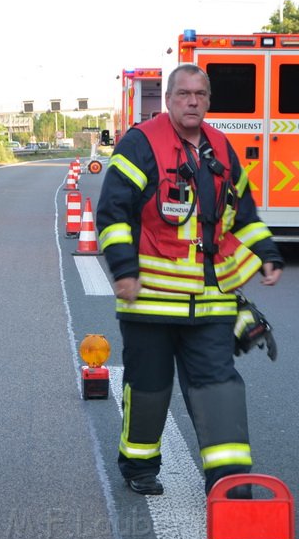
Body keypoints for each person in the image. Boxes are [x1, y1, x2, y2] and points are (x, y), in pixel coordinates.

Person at [95, 64, 284, 497]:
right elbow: (113, 213)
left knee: (220, 390)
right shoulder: (140, 144)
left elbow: (245, 212)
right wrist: (124, 271)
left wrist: (268, 253)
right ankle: (139, 466)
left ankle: (231, 483)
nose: (193, 101)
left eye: (201, 94)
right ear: (169, 99)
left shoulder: (221, 146)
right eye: (184, 94)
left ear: (209, 100)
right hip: (152, 303)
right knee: (148, 391)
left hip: (212, 303)